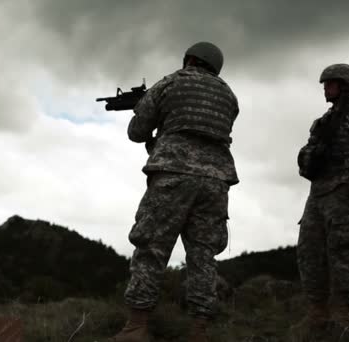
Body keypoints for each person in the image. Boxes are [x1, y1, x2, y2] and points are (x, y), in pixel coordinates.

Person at [109, 41, 239, 342]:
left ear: (189, 59)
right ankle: (199, 331)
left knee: (151, 247)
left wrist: (150, 119)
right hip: (216, 181)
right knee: (203, 255)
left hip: (174, 174)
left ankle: (137, 327)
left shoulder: (171, 82)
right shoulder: (229, 95)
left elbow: (136, 131)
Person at [293, 63, 349, 340]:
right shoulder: (323, 122)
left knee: (342, 253)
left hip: (345, 193)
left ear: (344, 85)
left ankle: (344, 318)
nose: (325, 88)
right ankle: (317, 315)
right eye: (325, 83)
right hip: (318, 195)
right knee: (309, 253)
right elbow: (308, 156)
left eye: (330, 83)